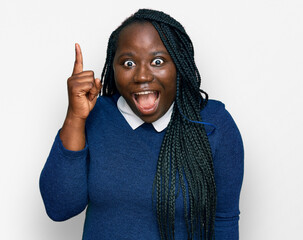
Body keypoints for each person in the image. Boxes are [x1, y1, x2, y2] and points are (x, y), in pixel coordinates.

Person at [39, 9, 244, 240]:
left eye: (158, 61)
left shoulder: (213, 124)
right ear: (113, 68)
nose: (142, 76)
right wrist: (75, 118)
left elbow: (224, 221)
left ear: (179, 65)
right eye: (128, 63)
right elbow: (59, 208)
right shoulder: (96, 115)